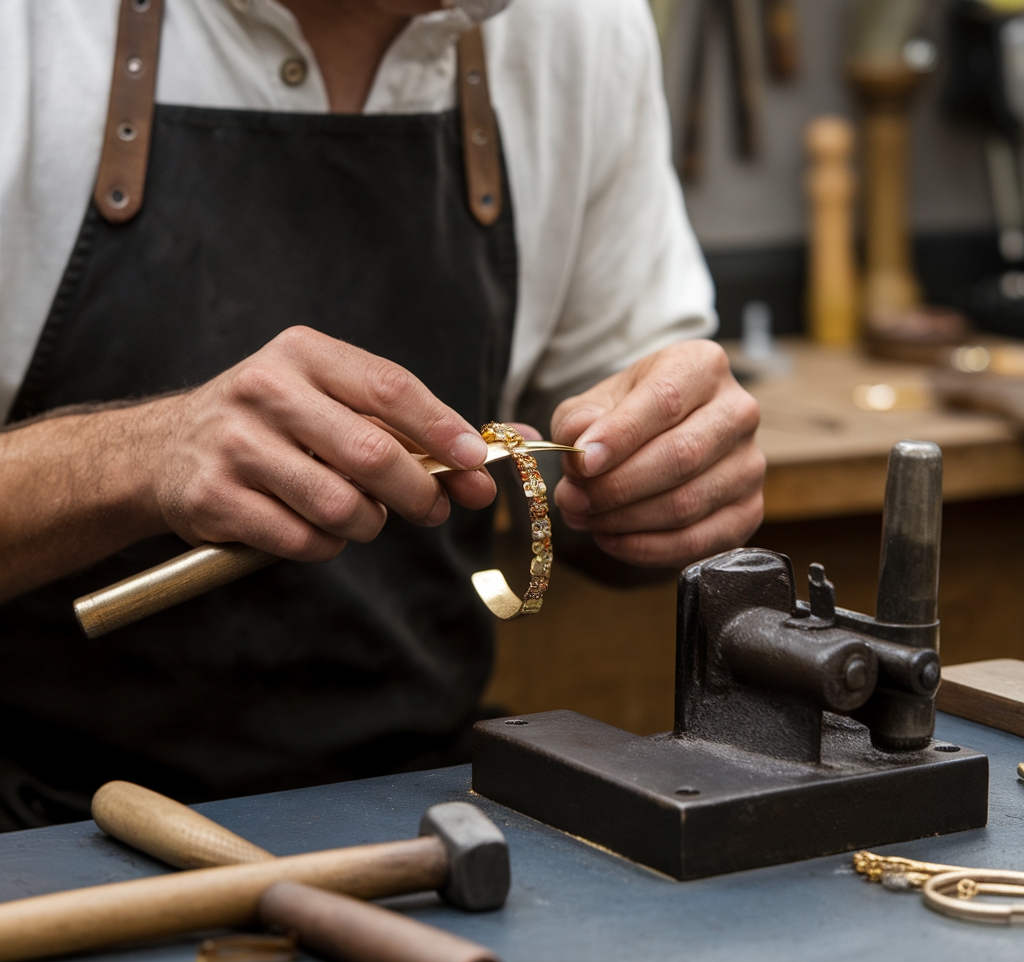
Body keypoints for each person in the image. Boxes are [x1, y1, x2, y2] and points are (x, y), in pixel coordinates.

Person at [0, 0, 764, 825]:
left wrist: (666, 477)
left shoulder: (574, 25)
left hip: (423, 810)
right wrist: (134, 459)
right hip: (40, 819)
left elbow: (599, 463)